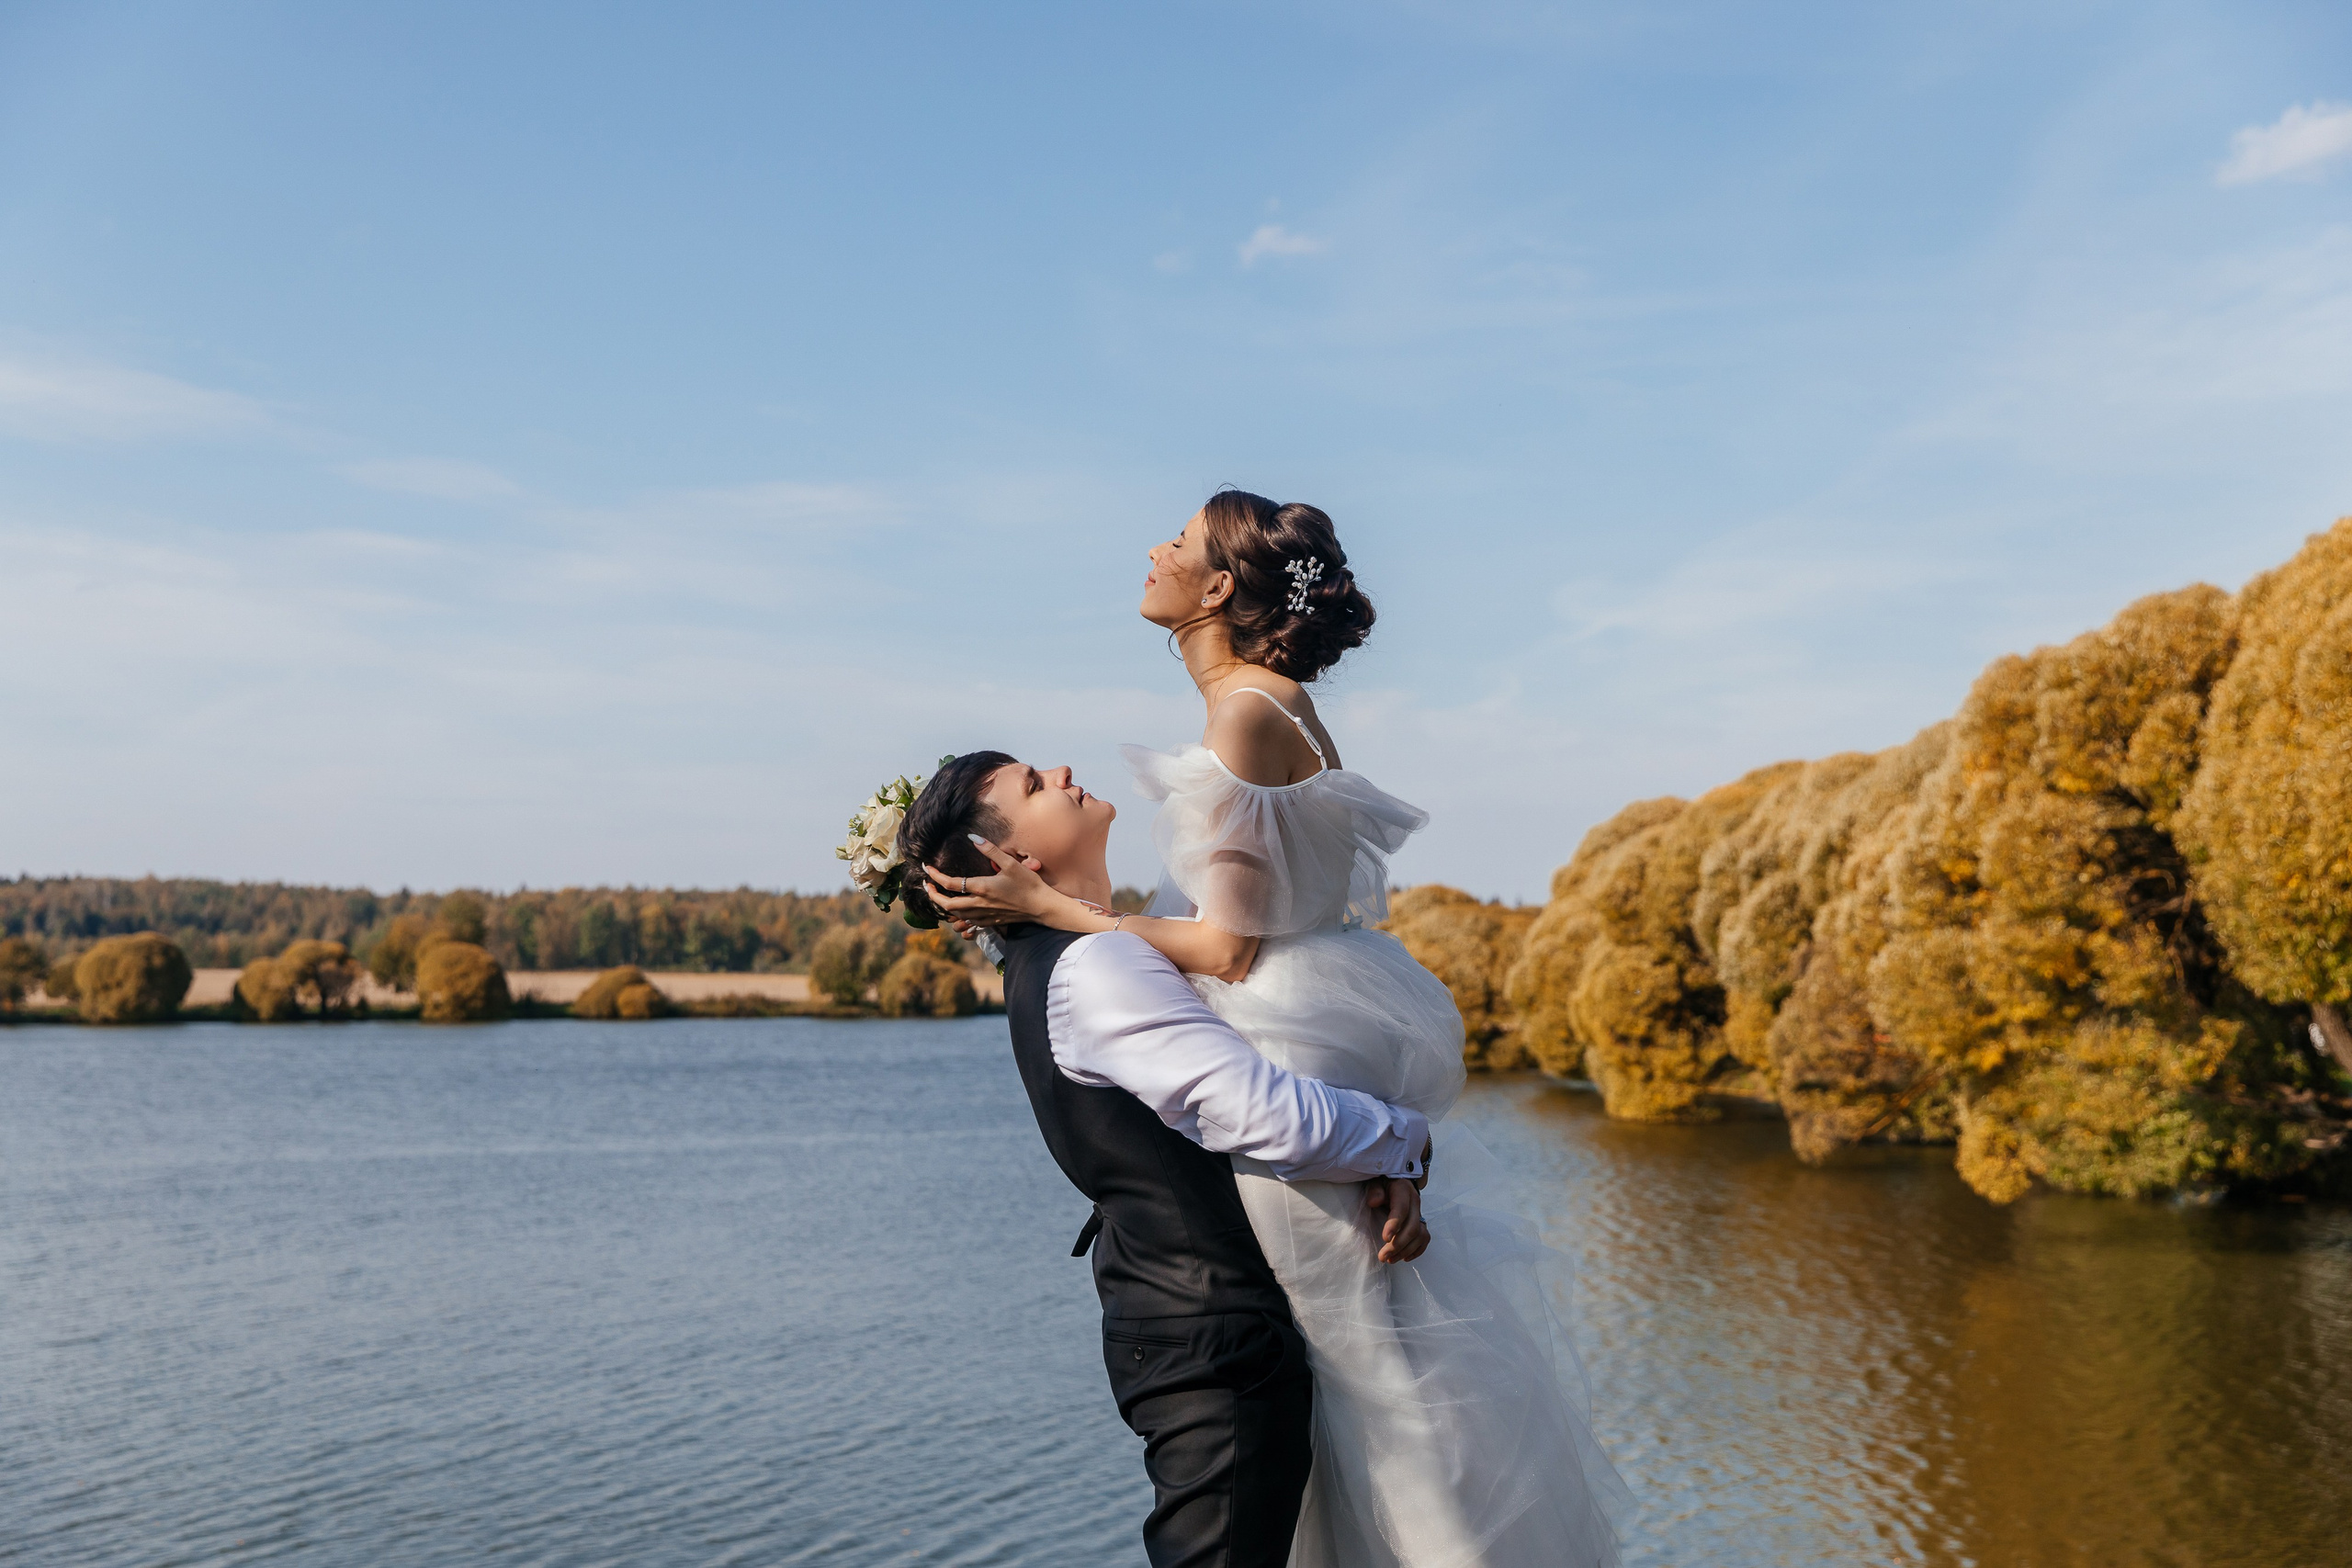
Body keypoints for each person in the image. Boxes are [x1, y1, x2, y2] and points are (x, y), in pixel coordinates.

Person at [923, 490, 1628, 1566]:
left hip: (1289, 1029)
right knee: (1370, 1379)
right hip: (1321, 1022)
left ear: (1214, 591)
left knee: (1372, 1385)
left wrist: (1064, 913)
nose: (1153, 549)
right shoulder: (1270, 701)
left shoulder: (1242, 714)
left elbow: (1231, 948)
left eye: (1179, 542)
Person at [895, 750, 1439, 1568]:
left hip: (1187, 1328)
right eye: (1033, 785)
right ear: (1014, 861)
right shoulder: (1096, 964)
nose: (1062, 768)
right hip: (1210, 1342)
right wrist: (1405, 1137)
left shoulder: (1061, 960)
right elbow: (1267, 1115)